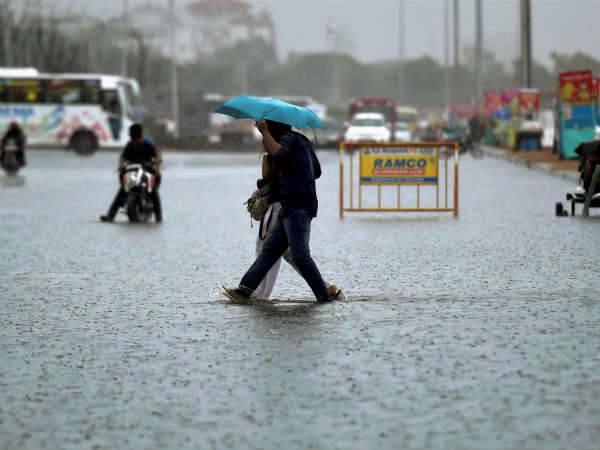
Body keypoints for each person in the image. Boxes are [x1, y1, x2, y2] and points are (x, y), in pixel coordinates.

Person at [223, 118, 339, 304]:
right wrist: (269, 149)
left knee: (299, 255)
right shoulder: (297, 142)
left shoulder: (290, 139)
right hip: (289, 205)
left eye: (267, 128)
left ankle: (325, 296)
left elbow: (285, 156)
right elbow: (313, 171)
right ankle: (244, 290)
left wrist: (265, 134)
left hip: (298, 206)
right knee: (269, 251)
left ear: (272, 128)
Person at [254, 141, 342, 300]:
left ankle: (259, 293)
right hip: (288, 204)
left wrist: (267, 150)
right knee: (289, 253)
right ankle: (326, 287)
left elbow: (267, 174)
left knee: (268, 248)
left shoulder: (281, 144)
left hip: (282, 204)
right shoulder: (294, 144)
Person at [100, 123, 163, 222]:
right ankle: (110, 215)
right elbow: (122, 157)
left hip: (146, 169)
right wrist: (121, 166)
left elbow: (157, 154)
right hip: (132, 170)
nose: (130, 134)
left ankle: (158, 217)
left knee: (153, 191)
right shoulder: (130, 145)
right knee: (122, 190)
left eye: (130, 132)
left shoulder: (148, 145)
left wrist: (157, 163)